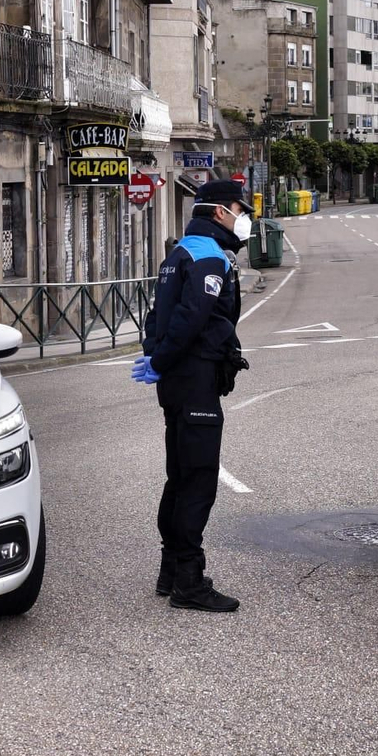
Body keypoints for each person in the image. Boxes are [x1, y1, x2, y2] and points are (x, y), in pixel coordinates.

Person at [130, 180, 252, 612]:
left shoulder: (181, 251)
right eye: (241, 208)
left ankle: (170, 571)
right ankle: (189, 581)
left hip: (178, 380)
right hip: (195, 376)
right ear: (220, 211)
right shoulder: (209, 257)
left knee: (179, 476)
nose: (245, 217)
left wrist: (155, 356)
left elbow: (154, 313)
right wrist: (161, 359)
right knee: (198, 479)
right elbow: (190, 317)